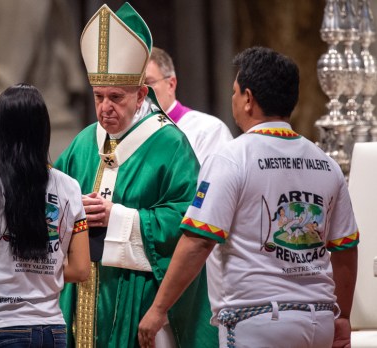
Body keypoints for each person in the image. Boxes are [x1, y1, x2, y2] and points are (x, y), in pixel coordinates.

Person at [138, 47, 359, 348]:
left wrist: (159, 309)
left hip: (258, 321)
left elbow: (199, 240)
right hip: (317, 320)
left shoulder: (232, 158)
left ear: (248, 98)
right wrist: (343, 316)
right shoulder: (325, 163)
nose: (233, 99)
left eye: (234, 91)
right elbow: (345, 247)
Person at [55, 3, 216, 347]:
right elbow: (51, 197)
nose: (104, 108)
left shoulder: (169, 144)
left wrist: (120, 217)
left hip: (137, 291)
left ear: (142, 94)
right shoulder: (85, 141)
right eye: (98, 97)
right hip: (81, 290)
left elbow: (187, 219)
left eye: (116, 97)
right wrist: (72, 208)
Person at [0, 83, 90, 347]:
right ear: (44, 129)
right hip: (52, 330)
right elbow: (82, 269)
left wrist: (2, 273)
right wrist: (43, 274)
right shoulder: (68, 186)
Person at [145, 47, 233, 164]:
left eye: (148, 83)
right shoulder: (128, 135)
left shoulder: (209, 131)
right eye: (135, 86)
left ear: (171, 85)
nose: (141, 92)